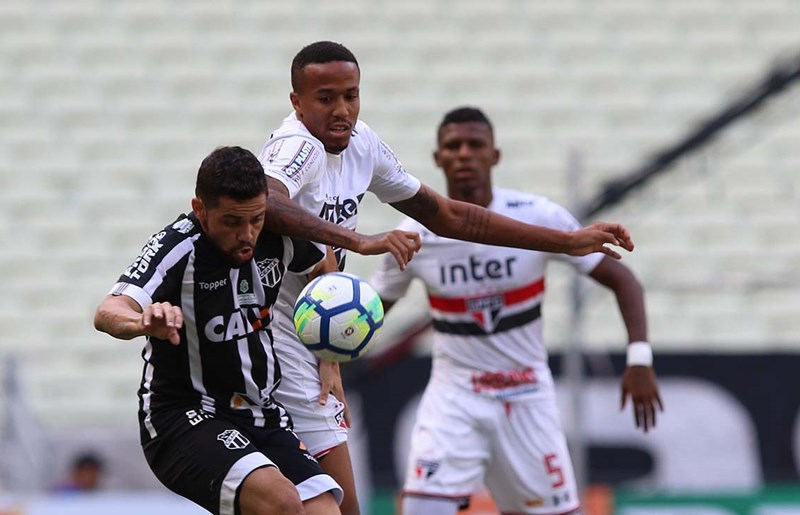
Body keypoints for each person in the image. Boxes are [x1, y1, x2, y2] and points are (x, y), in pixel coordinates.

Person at [257, 41, 637, 515]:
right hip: (267, 330)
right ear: (296, 102)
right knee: (332, 504)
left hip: (306, 338)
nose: (342, 110)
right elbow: (267, 202)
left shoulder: (362, 145)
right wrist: (359, 241)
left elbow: (450, 217)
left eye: (351, 96)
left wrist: (565, 241)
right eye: (325, 98)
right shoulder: (297, 146)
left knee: (318, 504)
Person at [93, 146, 420, 515]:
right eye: (232, 222)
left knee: (327, 511)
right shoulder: (178, 247)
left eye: (256, 219)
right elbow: (108, 311)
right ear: (200, 209)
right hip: (184, 416)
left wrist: (328, 358)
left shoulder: (279, 235)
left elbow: (321, 264)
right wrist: (141, 322)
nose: (246, 234)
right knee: (280, 501)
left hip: (258, 412)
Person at [369, 107, 664, 515]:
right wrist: (329, 352)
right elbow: (370, 312)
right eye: (453, 146)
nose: (464, 154)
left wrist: (640, 358)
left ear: (495, 155)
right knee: (421, 508)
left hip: (525, 395)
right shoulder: (412, 237)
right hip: (455, 397)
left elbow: (623, 279)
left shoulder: (536, 215)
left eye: (475, 144)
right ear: (438, 158)